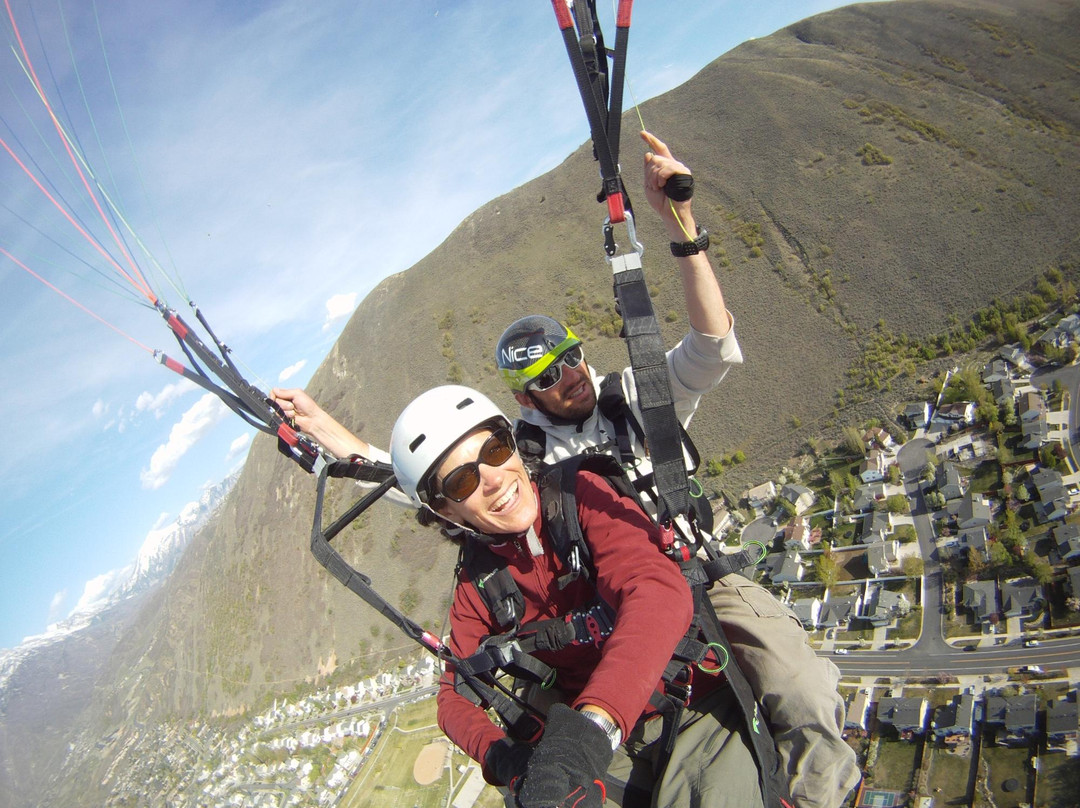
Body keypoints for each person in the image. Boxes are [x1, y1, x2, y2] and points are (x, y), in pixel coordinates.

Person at [273, 132, 859, 807]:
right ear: (524, 398)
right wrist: (332, 436)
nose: (571, 376)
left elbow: (710, 346)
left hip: (694, 574)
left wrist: (685, 229)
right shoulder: (520, 457)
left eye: (572, 356)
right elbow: (433, 485)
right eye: (548, 375)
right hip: (607, 606)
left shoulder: (631, 401)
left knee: (804, 688)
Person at [388, 384, 773, 807]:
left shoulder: (579, 494)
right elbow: (453, 697)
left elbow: (656, 591)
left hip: (687, 704)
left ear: (514, 447)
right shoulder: (479, 582)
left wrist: (586, 735)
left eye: (496, 450)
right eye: (463, 480)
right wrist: (511, 762)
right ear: (446, 511)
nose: (494, 479)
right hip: (597, 742)